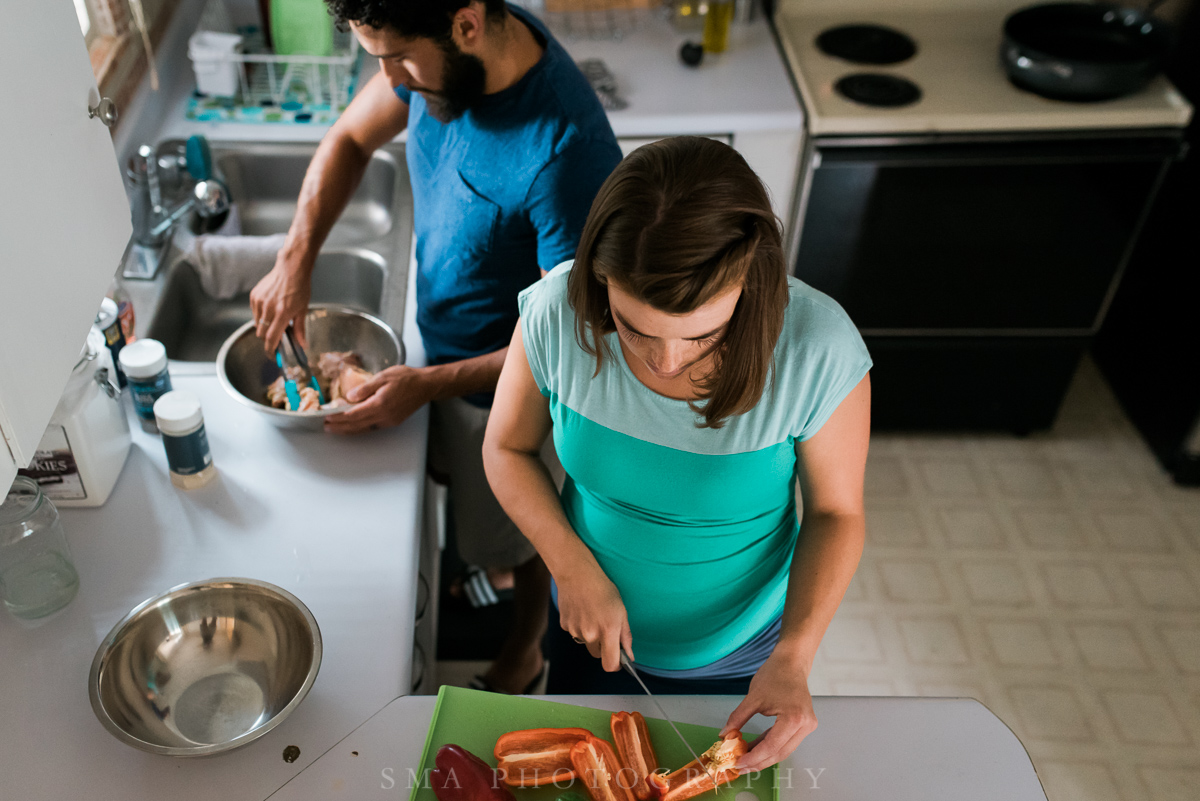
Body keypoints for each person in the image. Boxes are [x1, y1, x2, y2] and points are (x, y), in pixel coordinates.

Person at [249, 0, 622, 694]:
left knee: (522, 527)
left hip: (508, 389)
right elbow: (350, 141)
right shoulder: (436, 63)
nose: (388, 77)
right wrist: (295, 256)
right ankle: (489, 568)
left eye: (396, 57)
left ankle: (524, 649)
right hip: (438, 340)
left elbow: (569, 346)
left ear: (468, 22)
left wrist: (427, 386)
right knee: (464, 509)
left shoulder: (567, 152)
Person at [482, 136, 871, 770]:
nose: (663, 362)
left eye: (703, 333)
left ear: (751, 278)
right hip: (585, 631)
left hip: (743, 656)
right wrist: (571, 568)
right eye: (634, 327)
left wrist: (794, 657)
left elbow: (836, 515)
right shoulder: (557, 310)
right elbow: (505, 447)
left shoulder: (819, 349)